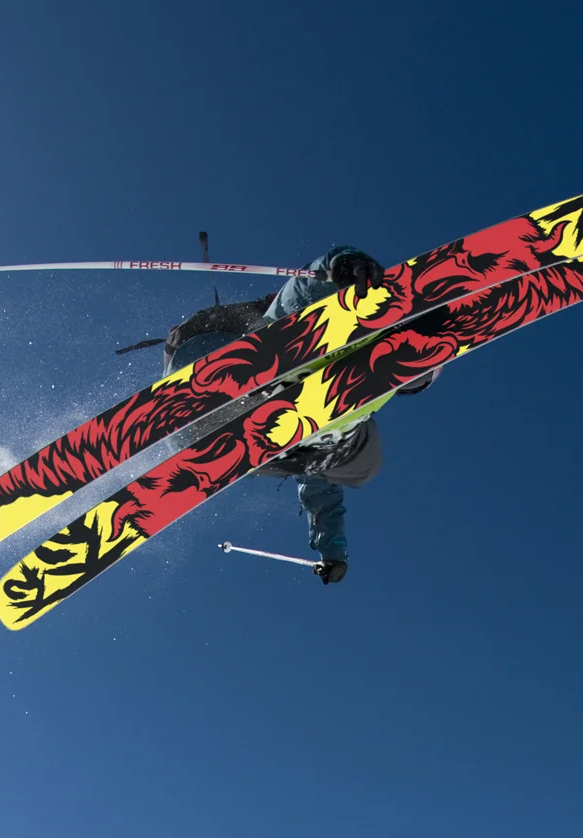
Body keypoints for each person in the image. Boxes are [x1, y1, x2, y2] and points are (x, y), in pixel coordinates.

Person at [159, 246, 433, 584]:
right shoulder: (318, 328)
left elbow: (320, 489)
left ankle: (246, 421)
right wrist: (338, 266)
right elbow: (295, 298)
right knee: (361, 453)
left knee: (354, 452)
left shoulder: (345, 404)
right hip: (218, 374)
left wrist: (333, 551)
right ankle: (243, 405)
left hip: (247, 431)